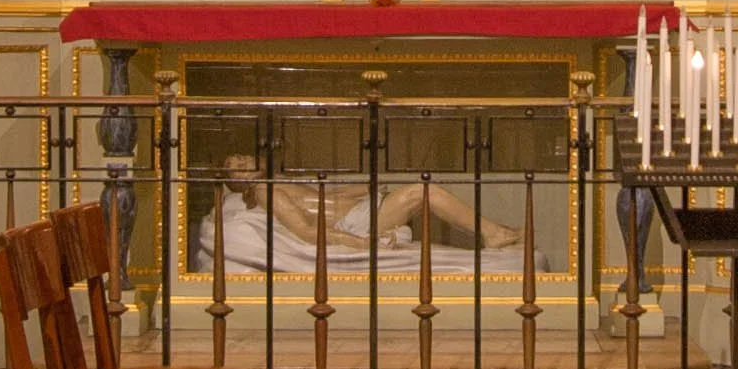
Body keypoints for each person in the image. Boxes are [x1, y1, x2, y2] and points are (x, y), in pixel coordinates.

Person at [218, 156, 521, 251]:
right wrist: (360, 243)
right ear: (237, 183)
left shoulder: (278, 180)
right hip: (355, 224)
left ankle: (490, 231)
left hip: (360, 211)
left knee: (423, 192)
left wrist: (363, 189)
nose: (243, 161)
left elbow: (328, 198)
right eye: (236, 168)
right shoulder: (264, 191)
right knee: (422, 191)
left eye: (240, 157)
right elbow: (306, 230)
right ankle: (491, 233)